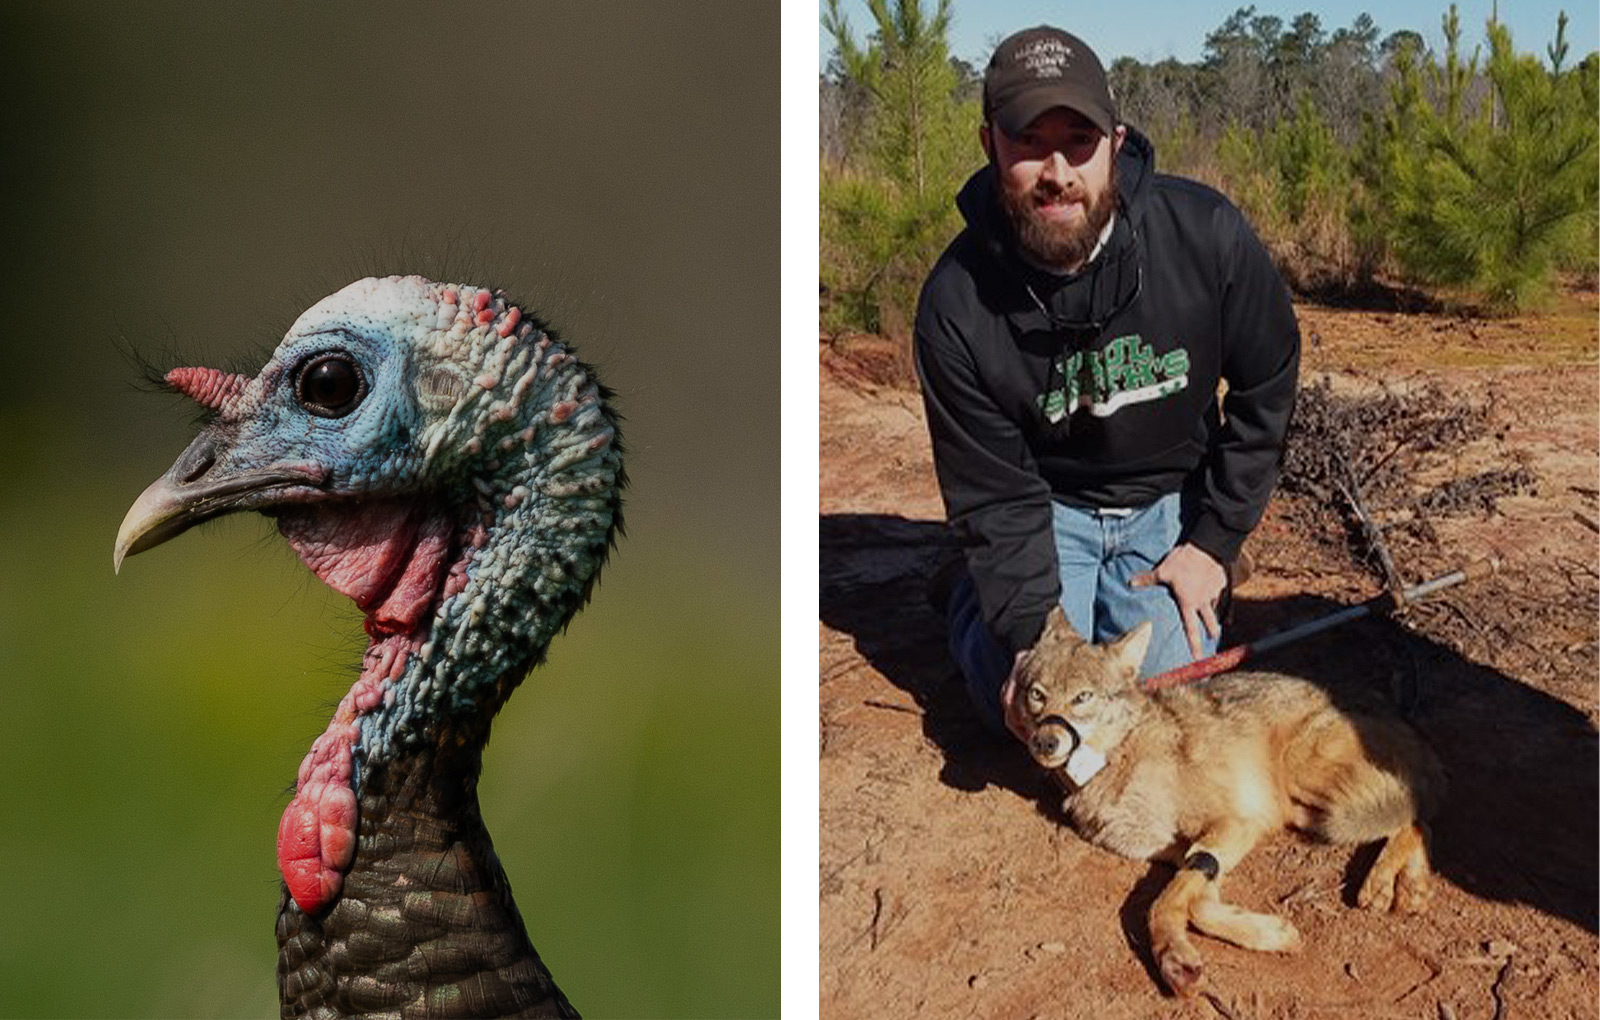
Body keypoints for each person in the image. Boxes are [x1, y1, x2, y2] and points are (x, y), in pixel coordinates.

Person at [915, 26, 1300, 737]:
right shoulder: (956, 302)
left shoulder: (1206, 236)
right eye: (1029, 141)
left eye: (1079, 141)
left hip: (1168, 502)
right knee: (1027, 707)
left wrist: (1213, 543)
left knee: (1151, 705)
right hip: (1045, 506)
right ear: (989, 146)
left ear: (1116, 145)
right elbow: (995, 491)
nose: (1057, 169)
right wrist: (1030, 634)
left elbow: (1266, 387)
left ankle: (1185, 584)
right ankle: (972, 591)